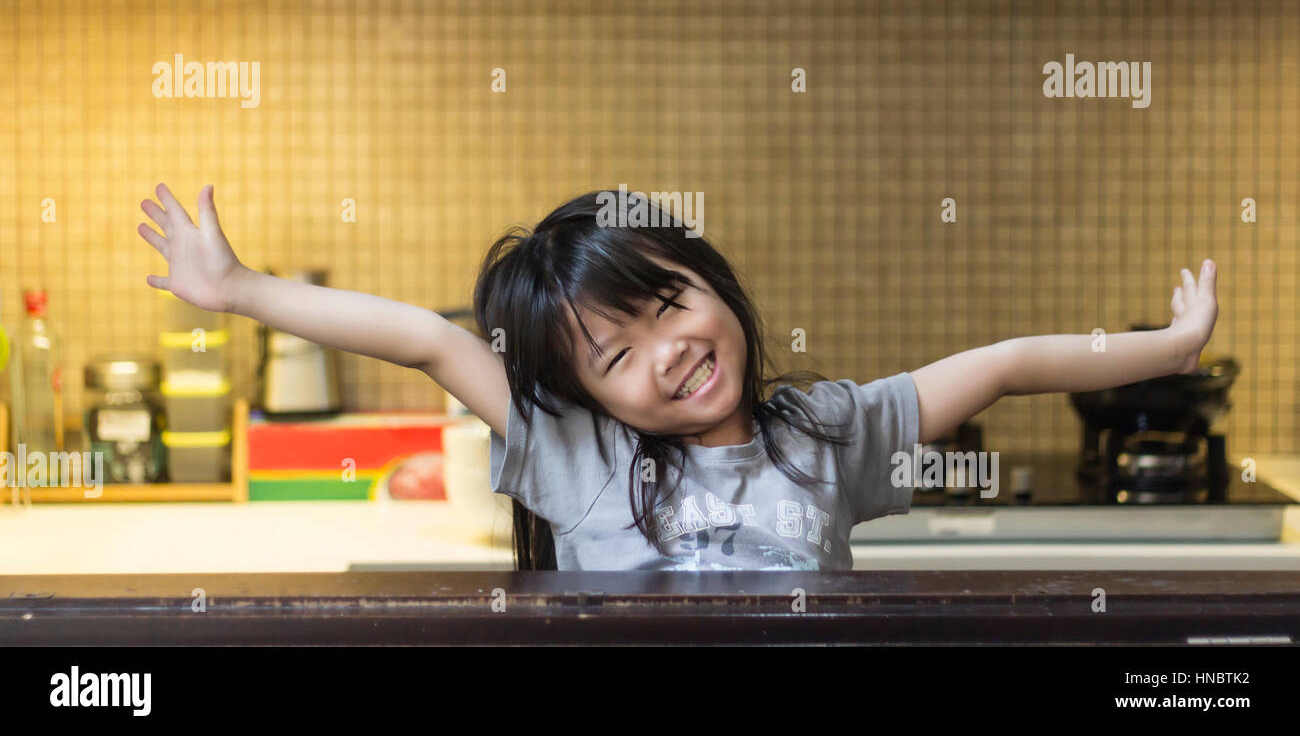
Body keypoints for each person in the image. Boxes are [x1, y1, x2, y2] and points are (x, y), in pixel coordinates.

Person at [139, 183, 1219, 571]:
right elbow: (428, 337)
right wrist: (239, 288)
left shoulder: (826, 432)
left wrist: (1166, 350)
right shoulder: (577, 455)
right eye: (614, 353)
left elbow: (1001, 366)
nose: (668, 349)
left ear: (711, 282)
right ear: (588, 394)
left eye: (668, 304)